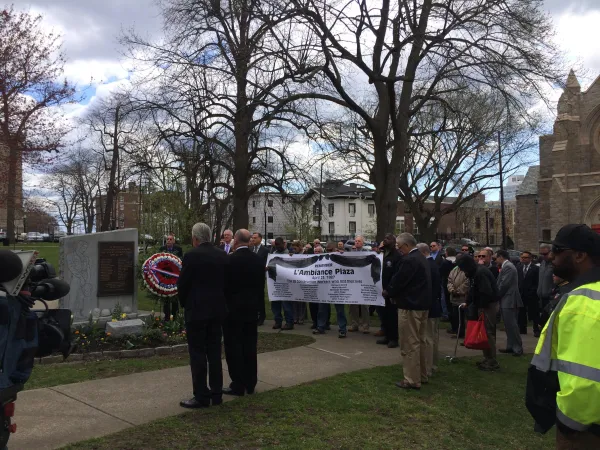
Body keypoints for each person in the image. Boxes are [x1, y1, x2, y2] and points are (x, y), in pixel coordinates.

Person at [527, 224, 600, 448]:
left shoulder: (583, 301)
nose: (551, 256)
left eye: (558, 250)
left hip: (586, 430)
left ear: (580, 255)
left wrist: (570, 424)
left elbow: (585, 378)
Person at [177, 223, 228, 409]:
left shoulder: (192, 255)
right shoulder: (222, 254)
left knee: (197, 353)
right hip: (217, 310)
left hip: (197, 310)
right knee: (214, 352)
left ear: (195, 238)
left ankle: (201, 395)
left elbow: (183, 284)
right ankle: (216, 393)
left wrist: (185, 304)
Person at [387, 233, 432, 390]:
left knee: (409, 342)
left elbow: (399, 280)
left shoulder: (409, 260)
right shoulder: (422, 258)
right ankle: (422, 374)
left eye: (399, 247)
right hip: (423, 305)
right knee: (420, 341)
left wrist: (389, 292)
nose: (399, 250)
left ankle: (412, 379)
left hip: (410, 306)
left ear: (406, 246)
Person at [222, 229, 264, 397]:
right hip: (251, 309)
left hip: (233, 311)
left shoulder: (230, 261)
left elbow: (225, 286)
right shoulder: (258, 260)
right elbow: (260, 287)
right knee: (249, 346)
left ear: (236, 241)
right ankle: (250, 381)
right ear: (249, 241)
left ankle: (238, 383)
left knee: (233, 347)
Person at [457, 255, 500, 371]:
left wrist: (480, 307)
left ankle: (491, 360)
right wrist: (468, 302)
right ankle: (487, 358)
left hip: (487, 305)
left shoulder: (480, 273)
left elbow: (486, 292)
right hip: (484, 304)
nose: (462, 270)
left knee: (488, 333)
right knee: (485, 332)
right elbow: (473, 290)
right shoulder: (476, 272)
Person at [417, 243, 442, 377]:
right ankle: (432, 363)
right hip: (433, 305)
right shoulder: (432, 264)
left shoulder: (429, 266)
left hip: (430, 306)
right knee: (432, 337)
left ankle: (428, 366)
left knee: (428, 338)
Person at [495, 249, 524, 357]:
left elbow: (504, 284)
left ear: (501, 257)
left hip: (510, 299)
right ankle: (511, 346)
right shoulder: (506, 266)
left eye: (496, 257)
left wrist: (496, 294)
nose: (496, 260)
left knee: (512, 325)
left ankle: (517, 348)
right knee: (508, 325)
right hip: (506, 299)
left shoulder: (508, 267)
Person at [377, 233, 402, 348]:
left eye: (388, 238)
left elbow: (397, 275)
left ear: (394, 241)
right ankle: (387, 335)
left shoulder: (397, 256)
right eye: (384, 238)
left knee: (392, 315)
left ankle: (394, 338)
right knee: (384, 315)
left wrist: (390, 289)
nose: (385, 240)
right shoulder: (383, 255)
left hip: (391, 291)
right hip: (382, 290)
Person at [159, 233, 184, 321]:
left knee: (174, 297)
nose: (168, 241)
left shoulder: (178, 249)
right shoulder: (162, 249)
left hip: (174, 276)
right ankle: (166, 317)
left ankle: (175, 316)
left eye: (170, 239)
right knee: (166, 297)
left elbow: (180, 261)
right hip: (164, 276)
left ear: (173, 241)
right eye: (167, 239)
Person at [270, 237, 294, 330]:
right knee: (275, 304)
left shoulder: (289, 254)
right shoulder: (274, 254)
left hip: (285, 283)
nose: (277, 247)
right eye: (276, 245)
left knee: (286, 304)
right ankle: (278, 321)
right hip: (275, 282)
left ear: (283, 244)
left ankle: (289, 322)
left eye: (279, 245)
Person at [348, 235, 370, 333]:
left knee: (364, 306)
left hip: (364, 282)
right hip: (353, 282)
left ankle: (365, 326)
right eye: (356, 241)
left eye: (359, 241)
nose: (357, 242)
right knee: (353, 305)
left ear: (363, 243)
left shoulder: (367, 253)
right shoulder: (350, 254)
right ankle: (354, 324)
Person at [517, 251, 541, 336]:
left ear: (530, 258)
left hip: (532, 294)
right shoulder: (519, 267)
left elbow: (537, 281)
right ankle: (522, 329)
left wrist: (533, 290)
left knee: (534, 312)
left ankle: (536, 329)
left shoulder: (535, 269)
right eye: (522, 257)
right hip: (521, 294)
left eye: (526, 257)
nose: (523, 259)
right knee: (521, 312)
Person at [447, 253, 469, 338]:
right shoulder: (454, 269)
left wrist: (458, 291)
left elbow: (467, 283)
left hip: (463, 298)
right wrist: (452, 290)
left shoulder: (467, 270)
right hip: (454, 298)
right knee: (456, 316)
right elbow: (449, 280)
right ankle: (458, 332)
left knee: (464, 318)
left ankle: (465, 334)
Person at [251, 232, 269, 325]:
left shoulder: (265, 250)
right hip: (251, 278)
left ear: (260, 239)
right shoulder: (250, 249)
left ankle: (262, 316)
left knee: (260, 298)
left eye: (255, 238)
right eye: (252, 238)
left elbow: (267, 263)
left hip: (260, 277)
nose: (253, 239)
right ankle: (254, 315)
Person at [440, 247, 457, 332]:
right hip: (457, 285)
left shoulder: (445, 262)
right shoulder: (457, 262)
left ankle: (454, 326)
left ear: (446, 253)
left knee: (449, 306)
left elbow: (441, 273)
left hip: (447, 285)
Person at [290, 241, 307, 324]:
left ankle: (301, 317)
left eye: (295, 248)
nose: (294, 249)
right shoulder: (293, 254)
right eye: (293, 248)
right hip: (294, 279)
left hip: (302, 279)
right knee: (294, 299)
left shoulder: (305, 253)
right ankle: (295, 317)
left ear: (299, 247)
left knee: (301, 300)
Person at [537, 243, 554, 310]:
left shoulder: (555, 264)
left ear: (551, 252)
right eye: (541, 254)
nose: (543, 256)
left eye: (545, 254)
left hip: (551, 297)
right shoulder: (542, 263)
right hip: (541, 297)